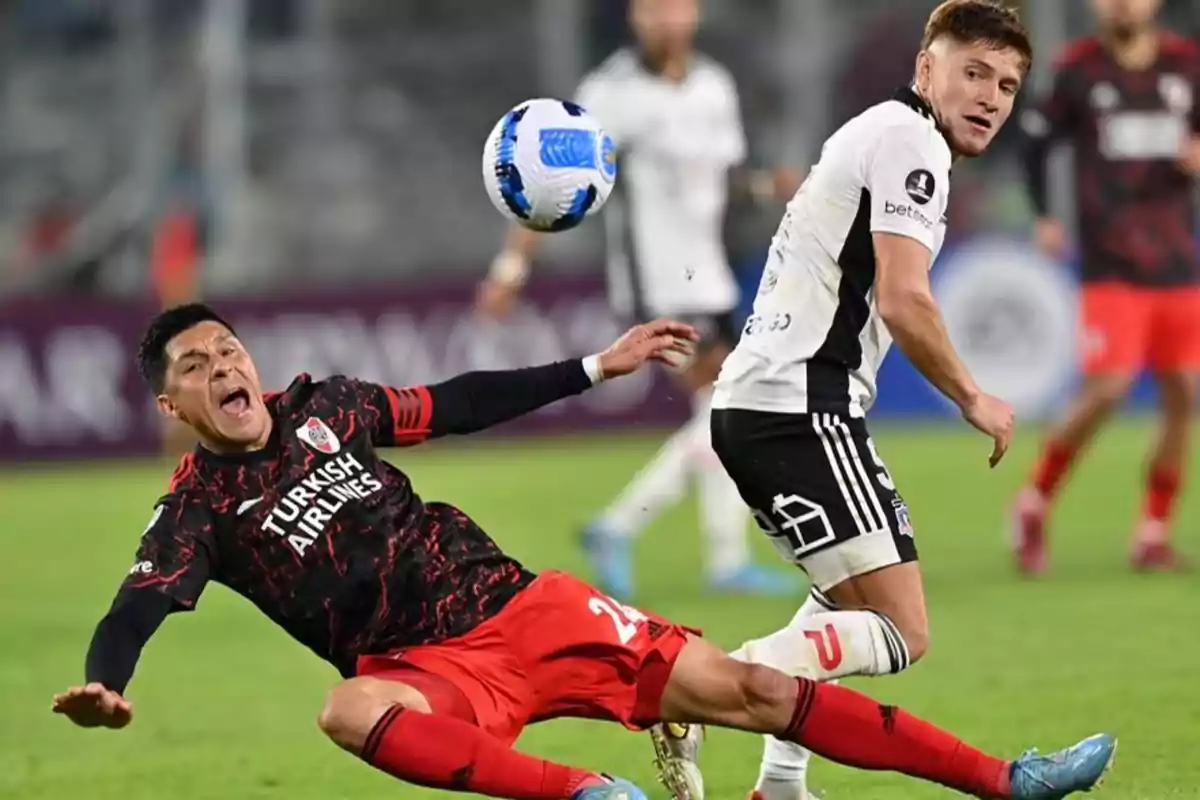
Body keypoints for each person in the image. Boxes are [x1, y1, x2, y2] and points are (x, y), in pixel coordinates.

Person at [51, 302, 1114, 800]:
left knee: (741, 686)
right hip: (421, 672)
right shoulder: (195, 509)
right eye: (200, 365)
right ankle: (591, 794)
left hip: (526, 606)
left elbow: (460, 402)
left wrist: (597, 366)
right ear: (173, 402)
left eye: (230, 347)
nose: (226, 366)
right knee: (346, 712)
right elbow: (138, 602)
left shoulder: (328, 402)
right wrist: (106, 678)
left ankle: (1003, 777)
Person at [651, 2, 1033, 798]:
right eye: (973, 72)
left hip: (765, 405)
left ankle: (781, 784)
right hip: (801, 407)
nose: (991, 96)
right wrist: (972, 395)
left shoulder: (884, 130)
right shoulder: (910, 139)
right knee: (902, 631)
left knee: (838, 598)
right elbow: (904, 298)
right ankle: (701, 685)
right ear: (927, 67)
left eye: (1006, 82)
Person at [477, 0, 801, 600]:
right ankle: (627, 528)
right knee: (735, 405)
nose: (667, 19)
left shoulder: (713, 86)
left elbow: (725, 182)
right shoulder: (609, 94)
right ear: (635, 17)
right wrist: (512, 264)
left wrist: (767, 188)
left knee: (722, 410)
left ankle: (708, 555)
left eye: (677, 7)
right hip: (657, 283)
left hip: (711, 276)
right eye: (654, 8)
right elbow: (549, 184)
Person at [1012, 0, 1200, 573]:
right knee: (1110, 387)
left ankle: (1152, 532)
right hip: (1111, 259)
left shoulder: (1187, 65)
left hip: (1176, 258)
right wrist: (1045, 214)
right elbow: (1035, 142)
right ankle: (1034, 501)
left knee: (1184, 394)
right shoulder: (1079, 68)